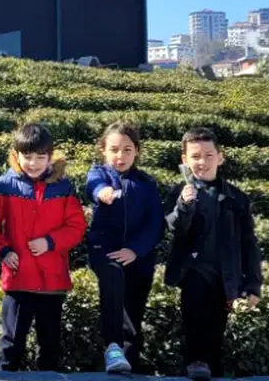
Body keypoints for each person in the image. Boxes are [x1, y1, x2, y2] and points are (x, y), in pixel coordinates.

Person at [164, 127, 263, 381]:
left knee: (216, 338)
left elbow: (249, 244)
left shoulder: (236, 198)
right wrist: (184, 204)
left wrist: (252, 283)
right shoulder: (179, 192)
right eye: (195, 156)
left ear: (220, 156)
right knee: (195, 334)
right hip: (193, 274)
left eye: (209, 155)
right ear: (185, 159)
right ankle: (196, 365)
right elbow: (176, 228)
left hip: (225, 277)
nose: (202, 162)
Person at [0, 124, 86, 372]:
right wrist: (3, 251)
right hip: (18, 278)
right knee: (11, 344)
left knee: (49, 345)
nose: (33, 163)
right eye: (27, 156)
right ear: (16, 155)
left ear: (50, 156)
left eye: (40, 157)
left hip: (52, 280)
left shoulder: (63, 187)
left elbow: (76, 227)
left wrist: (50, 242)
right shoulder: (4, 186)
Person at [85, 121, 163, 374]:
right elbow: (94, 187)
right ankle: (112, 346)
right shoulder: (98, 174)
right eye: (114, 149)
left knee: (134, 309)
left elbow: (155, 224)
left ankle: (129, 363)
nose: (120, 156)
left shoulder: (147, 183)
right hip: (105, 249)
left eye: (127, 150)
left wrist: (135, 250)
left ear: (136, 151)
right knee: (113, 277)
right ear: (103, 150)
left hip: (138, 255)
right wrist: (103, 192)